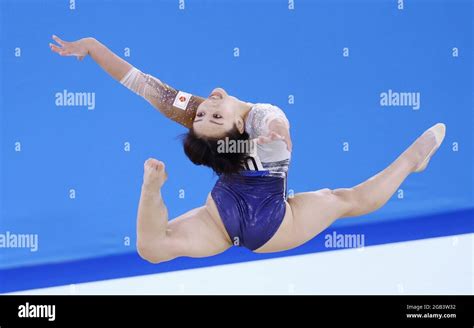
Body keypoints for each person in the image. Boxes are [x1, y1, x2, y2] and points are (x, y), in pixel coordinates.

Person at [50, 35, 446, 263]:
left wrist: (93, 46)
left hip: (230, 216)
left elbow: (143, 84)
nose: (207, 105)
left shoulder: (227, 123)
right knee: (344, 199)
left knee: (153, 248)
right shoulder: (253, 120)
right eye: (209, 114)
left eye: (206, 110)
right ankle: (413, 160)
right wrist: (92, 46)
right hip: (268, 223)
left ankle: (413, 159)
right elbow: (276, 127)